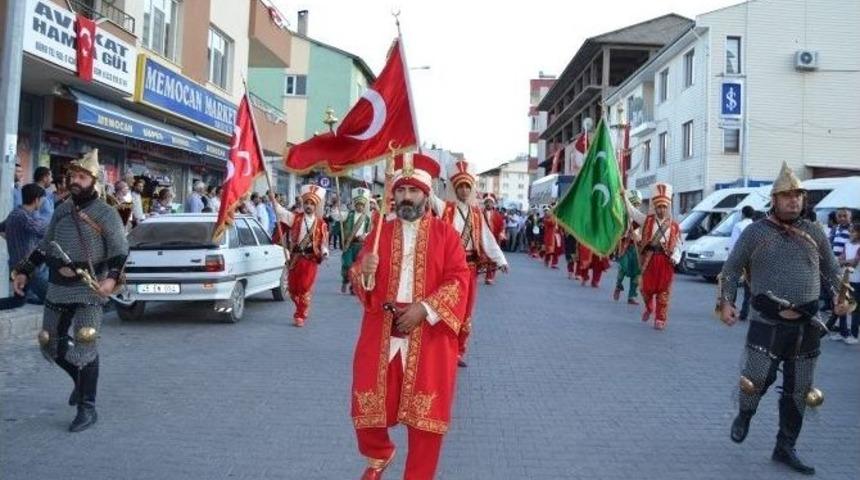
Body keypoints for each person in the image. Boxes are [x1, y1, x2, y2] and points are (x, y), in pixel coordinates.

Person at [718, 162, 848, 475]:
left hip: (807, 323)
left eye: (798, 195)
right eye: (787, 195)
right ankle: (745, 415)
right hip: (767, 320)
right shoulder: (756, 232)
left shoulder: (814, 232)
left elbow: (831, 269)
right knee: (756, 380)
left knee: (799, 389)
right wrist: (726, 302)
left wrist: (841, 297)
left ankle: (785, 446)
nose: (794, 201)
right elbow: (732, 269)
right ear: (774, 199)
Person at [349, 152, 470, 480]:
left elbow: (460, 280)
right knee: (366, 403)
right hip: (382, 330)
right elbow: (360, 279)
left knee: (425, 421)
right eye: (400, 190)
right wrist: (364, 272)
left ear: (426, 195)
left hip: (428, 333)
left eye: (413, 190)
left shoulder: (446, 235)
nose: (405, 196)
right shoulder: (380, 232)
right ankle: (379, 454)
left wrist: (425, 308)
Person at [12, 149, 128, 433]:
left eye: (82, 177)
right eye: (72, 176)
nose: (75, 180)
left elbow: (119, 250)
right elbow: (45, 246)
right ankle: (80, 380)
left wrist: (111, 279)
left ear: (94, 181)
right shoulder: (62, 209)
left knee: (85, 340)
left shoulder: (106, 213)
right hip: (58, 286)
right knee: (49, 342)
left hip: (89, 287)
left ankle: (87, 407)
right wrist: (24, 271)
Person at [430, 159, 508, 367]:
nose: (464, 190)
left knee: (465, 310)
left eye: (467, 186)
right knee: (447, 306)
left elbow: (487, 238)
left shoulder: (476, 213)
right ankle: (443, 348)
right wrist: (424, 171)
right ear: (454, 189)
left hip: (469, 269)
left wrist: (500, 259)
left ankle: (458, 351)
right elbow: (428, 196)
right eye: (460, 186)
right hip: (449, 269)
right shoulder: (445, 208)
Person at [625, 183, 682, 330]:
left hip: (665, 261)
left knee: (664, 292)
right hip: (649, 260)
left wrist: (675, 257)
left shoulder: (674, 226)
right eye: (659, 207)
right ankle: (649, 307)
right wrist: (624, 197)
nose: (661, 209)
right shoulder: (648, 220)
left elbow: (678, 245)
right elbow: (633, 213)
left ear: (667, 207)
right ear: (655, 207)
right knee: (645, 290)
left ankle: (660, 319)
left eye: (664, 207)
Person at [273, 185, 329, 327]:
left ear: (316, 206)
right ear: (303, 204)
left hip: (310, 259)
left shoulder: (321, 224)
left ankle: (300, 314)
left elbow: (323, 242)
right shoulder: (295, 218)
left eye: (312, 204)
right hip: (295, 258)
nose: (309, 206)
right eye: (307, 203)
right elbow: (281, 212)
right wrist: (273, 201)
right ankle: (303, 306)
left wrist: (324, 252)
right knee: (292, 290)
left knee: (304, 287)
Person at [5, 183, 49, 305]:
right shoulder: (23, 216)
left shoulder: (15, 213)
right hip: (28, 267)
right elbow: (43, 231)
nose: (42, 204)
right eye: (42, 200)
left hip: (20, 265)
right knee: (53, 300)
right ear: (36, 200)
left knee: (18, 301)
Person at [825, 207, 852, 337]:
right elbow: (829, 246)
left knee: (843, 298)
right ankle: (839, 326)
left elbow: (851, 248)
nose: (842, 218)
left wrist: (842, 261)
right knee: (836, 297)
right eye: (839, 216)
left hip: (845, 268)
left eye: (845, 216)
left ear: (850, 217)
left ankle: (844, 329)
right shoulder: (835, 230)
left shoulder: (853, 231)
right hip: (834, 267)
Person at [339, 188, 372, 295]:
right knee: (347, 264)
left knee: (357, 267)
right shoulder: (348, 215)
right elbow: (337, 217)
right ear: (355, 205)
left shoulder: (367, 218)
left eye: (362, 205)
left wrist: (365, 235)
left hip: (360, 245)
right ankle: (345, 280)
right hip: (349, 244)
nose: (360, 207)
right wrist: (336, 207)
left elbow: (370, 231)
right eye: (358, 205)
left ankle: (353, 287)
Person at [614, 190, 643, 304]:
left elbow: (644, 232)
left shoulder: (640, 217)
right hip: (626, 246)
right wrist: (627, 233)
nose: (636, 206)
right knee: (623, 268)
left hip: (637, 248)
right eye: (634, 204)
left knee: (637, 271)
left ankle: (632, 296)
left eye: (637, 204)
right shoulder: (623, 216)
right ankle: (618, 285)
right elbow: (618, 232)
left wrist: (639, 237)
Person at [728, 205, 756, 321]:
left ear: (743, 214)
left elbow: (734, 244)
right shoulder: (756, 226)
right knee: (748, 287)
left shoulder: (738, 226)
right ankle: (745, 312)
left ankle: (731, 308)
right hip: (752, 259)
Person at [835, 222, 860, 344]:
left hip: (857, 281)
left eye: (853, 231)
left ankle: (854, 335)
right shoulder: (847, 244)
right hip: (846, 280)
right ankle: (843, 332)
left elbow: (854, 263)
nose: (850, 233)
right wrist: (844, 261)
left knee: (855, 308)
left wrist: (843, 261)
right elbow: (841, 258)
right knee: (842, 305)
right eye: (850, 231)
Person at [482, 194, 506, 285]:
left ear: (493, 204)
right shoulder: (480, 213)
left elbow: (502, 226)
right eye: (487, 202)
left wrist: (501, 233)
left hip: (494, 239)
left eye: (490, 202)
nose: (488, 204)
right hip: (482, 238)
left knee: (493, 258)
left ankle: (490, 277)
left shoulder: (497, 215)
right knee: (482, 257)